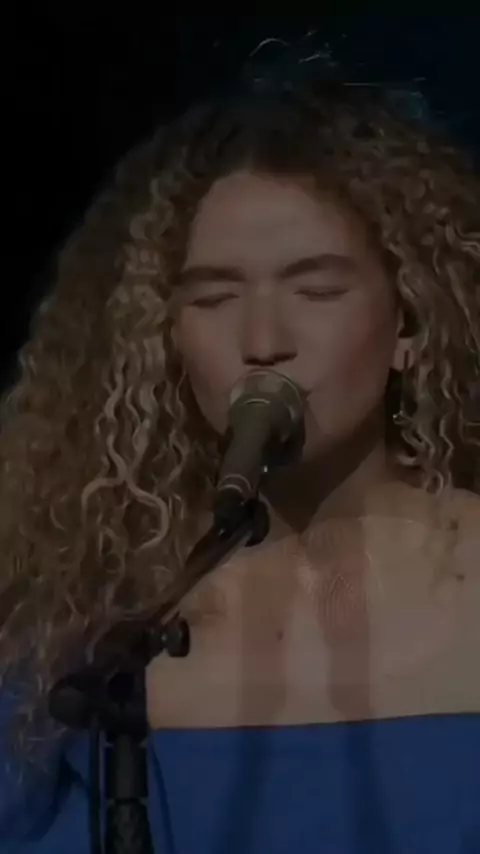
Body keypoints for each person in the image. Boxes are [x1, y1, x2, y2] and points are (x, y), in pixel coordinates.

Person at [0, 44, 479, 854]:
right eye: (216, 298)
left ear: (409, 323)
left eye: (317, 290)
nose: (263, 341)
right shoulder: (91, 628)